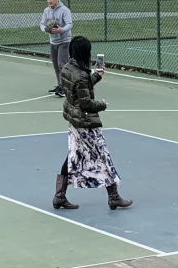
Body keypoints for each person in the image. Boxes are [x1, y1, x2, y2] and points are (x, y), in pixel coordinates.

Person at [54, 35, 130, 210]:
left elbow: (79, 89)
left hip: (74, 121)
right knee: (103, 156)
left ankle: (59, 196)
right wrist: (102, 105)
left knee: (73, 155)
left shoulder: (68, 68)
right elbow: (86, 103)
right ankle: (114, 197)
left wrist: (96, 76)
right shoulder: (81, 75)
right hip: (85, 123)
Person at [39, 0, 74, 97]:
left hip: (64, 41)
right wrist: (45, 29)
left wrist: (61, 30)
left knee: (62, 65)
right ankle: (60, 85)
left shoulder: (64, 10)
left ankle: (66, 88)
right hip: (53, 41)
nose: (49, 1)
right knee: (55, 65)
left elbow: (70, 24)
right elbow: (42, 24)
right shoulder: (46, 11)